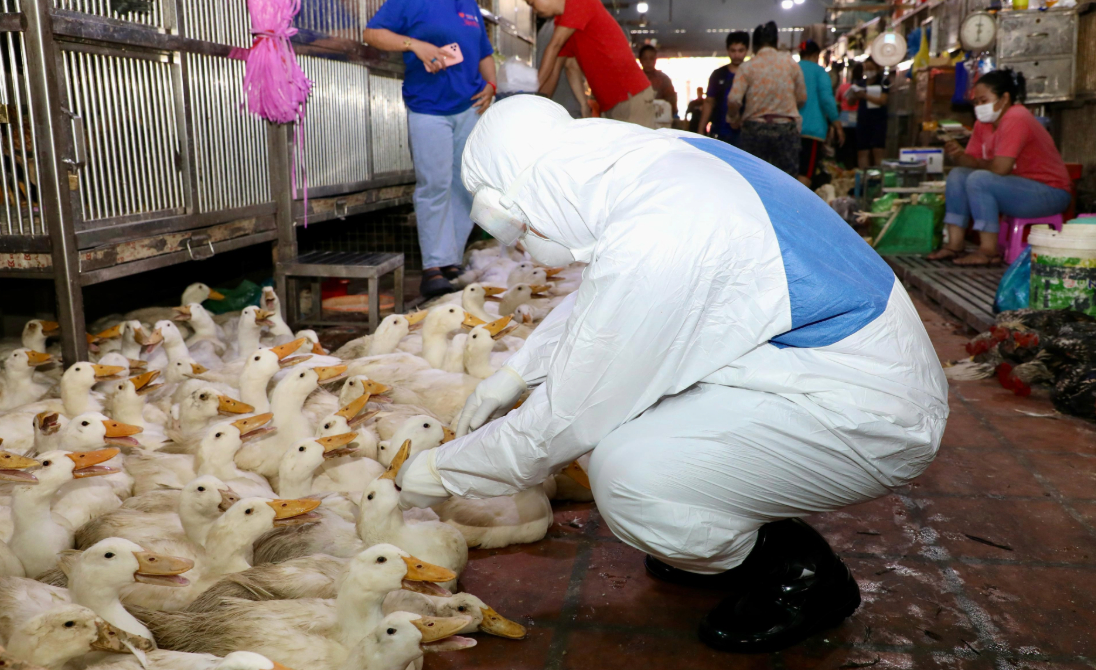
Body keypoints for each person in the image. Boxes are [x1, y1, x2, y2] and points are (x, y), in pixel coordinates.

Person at [396, 96, 949, 654]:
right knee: (616, 421)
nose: (521, 238)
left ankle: (798, 572)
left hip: (868, 409)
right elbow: (607, 298)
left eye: (515, 222)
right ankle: (714, 536)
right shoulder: (658, 166)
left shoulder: (663, 230)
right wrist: (514, 376)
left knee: (629, 478)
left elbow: (560, 421)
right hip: (813, 367)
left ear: (533, 190)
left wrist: (441, 472)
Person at [362, 0, 497, 298]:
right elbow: (372, 33)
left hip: (471, 108)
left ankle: (450, 261)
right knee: (434, 183)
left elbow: (484, 52)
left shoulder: (469, 6)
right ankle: (433, 267)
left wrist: (492, 84)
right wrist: (414, 45)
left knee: (465, 186)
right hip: (428, 108)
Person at [929, 69, 1072, 266]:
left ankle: (988, 251)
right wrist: (959, 155)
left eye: (984, 100)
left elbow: (1000, 169)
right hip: (1016, 189)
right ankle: (954, 244)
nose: (979, 107)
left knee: (979, 179)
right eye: (976, 102)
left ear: (1004, 98)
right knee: (957, 175)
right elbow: (971, 163)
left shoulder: (1016, 117)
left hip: (1049, 193)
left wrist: (975, 163)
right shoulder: (983, 124)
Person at [527, 0, 655, 127]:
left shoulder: (579, 2)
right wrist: (582, 103)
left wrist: (533, 88)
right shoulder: (563, 23)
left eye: (532, 3)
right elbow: (570, 66)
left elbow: (554, 46)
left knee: (639, 147)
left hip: (630, 96)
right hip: (609, 103)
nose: (533, 10)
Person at [727, 22, 807, 176]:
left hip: (754, 130)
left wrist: (733, 117)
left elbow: (734, 100)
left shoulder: (747, 67)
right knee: (786, 181)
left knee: (754, 179)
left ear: (754, 46)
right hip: (786, 130)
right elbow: (802, 97)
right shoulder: (791, 64)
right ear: (776, 42)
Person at [797, 40, 842, 188]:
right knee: (806, 174)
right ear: (816, 55)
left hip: (790, 130)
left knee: (792, 173)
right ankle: (799, 209)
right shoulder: (819, 71)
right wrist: (837, 123)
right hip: (812, 130)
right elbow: (826, 99)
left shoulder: (793, 69)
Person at [698, 31, 750, 143]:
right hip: (720, 133)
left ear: (746, 50)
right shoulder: (718, 75)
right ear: (727, 50)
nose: (736, 55)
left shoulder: (752, 74)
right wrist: (701, 129)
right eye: (733, 50)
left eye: (741, 50)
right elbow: (709, 102)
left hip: (746, 135)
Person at [536, 19, 589, 118]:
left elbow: (570, 65)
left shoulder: (548, 27)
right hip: (564, 104)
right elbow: (557, 67)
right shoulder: (562, 28)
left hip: (555, 105)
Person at [850, 58, 888, 168]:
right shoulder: (860, 83)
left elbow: (883, 100)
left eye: (871, 68)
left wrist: (865, 96)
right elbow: (851, 102)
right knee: (862, 151)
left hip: (878, 121)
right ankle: (863, 178)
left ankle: (879, 177)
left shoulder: (883, 82)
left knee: (878, 150)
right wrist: (854, 95)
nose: (868, 71)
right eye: (866, 68)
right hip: (863, 120)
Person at [639, 44, 678, 118]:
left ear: (655, 60)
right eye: (645, 59)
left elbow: (672, 103)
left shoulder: (664, 79)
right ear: (640, 60)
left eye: (651, 58)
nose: (648, 62)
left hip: (659, 119)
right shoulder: (635, 79)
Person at [835, 62, 860, 168]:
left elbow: (837, 104)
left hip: (844, 119)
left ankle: (843, 166)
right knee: (855, 146)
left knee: (844, 144)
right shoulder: (861, 88)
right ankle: (853, 167)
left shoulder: (843, 87)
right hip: (857, 119)